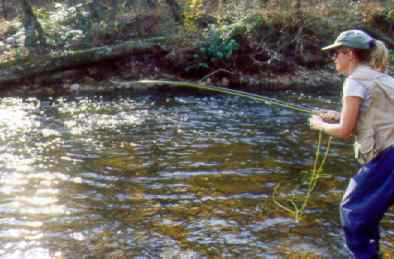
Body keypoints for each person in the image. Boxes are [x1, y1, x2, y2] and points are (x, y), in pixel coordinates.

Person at [308, 29, 394, 258]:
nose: (333, 58)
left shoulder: (354, 81)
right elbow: (377, 116)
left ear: (349, 54)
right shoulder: (382, 77)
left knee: (354, 212)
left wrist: (319, 125)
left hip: (388, 158)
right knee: (366, 213)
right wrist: (338, 115)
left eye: (335, 53)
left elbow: (345, 131)